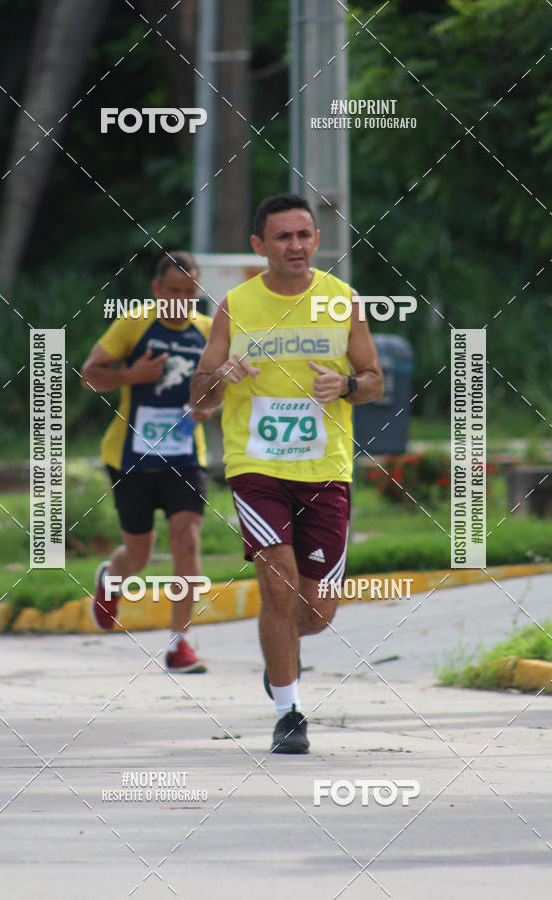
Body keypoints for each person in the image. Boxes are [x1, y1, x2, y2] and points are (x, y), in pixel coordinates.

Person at [189, 194, 384, 751]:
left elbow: (374, 379)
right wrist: (221, 372)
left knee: (315, 613)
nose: (295, 246)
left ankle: (278, 660)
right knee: (277, 584)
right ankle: (289, 711)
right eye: (282, 237)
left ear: (316, 241)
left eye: (304, 235)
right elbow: (197, 395)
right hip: (257, 465)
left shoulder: (342, 301)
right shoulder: (236, 305)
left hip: (325, 469)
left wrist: (346, 385)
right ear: (259, 246)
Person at [81, 251, 214, 673]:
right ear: (157, 290)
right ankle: (111, 578)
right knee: (138, 556)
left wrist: (209, 408)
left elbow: (217, 393)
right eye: (173, 292)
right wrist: (129, 376)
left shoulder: (210, 332)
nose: (181, 300)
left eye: (190, 293)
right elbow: (89, 374)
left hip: (186, 457)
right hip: (131, 458)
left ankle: (180, 644)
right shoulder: (134, 323)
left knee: (186, 540)